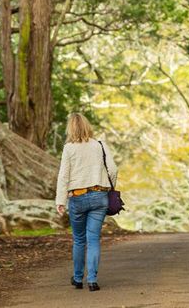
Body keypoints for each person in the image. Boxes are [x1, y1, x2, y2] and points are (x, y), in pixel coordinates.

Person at [56, 113, 118, 292]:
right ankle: (92, 280)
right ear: (87, 126)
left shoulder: (69, 148)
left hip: (78, 197)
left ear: (70, 129)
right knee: (93, 240)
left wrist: (60, 200)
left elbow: (63, 175)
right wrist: (110, 188)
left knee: (79, 240)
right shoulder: (100, 145)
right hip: (99, 195)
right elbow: (113, 170)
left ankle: (77, 278)